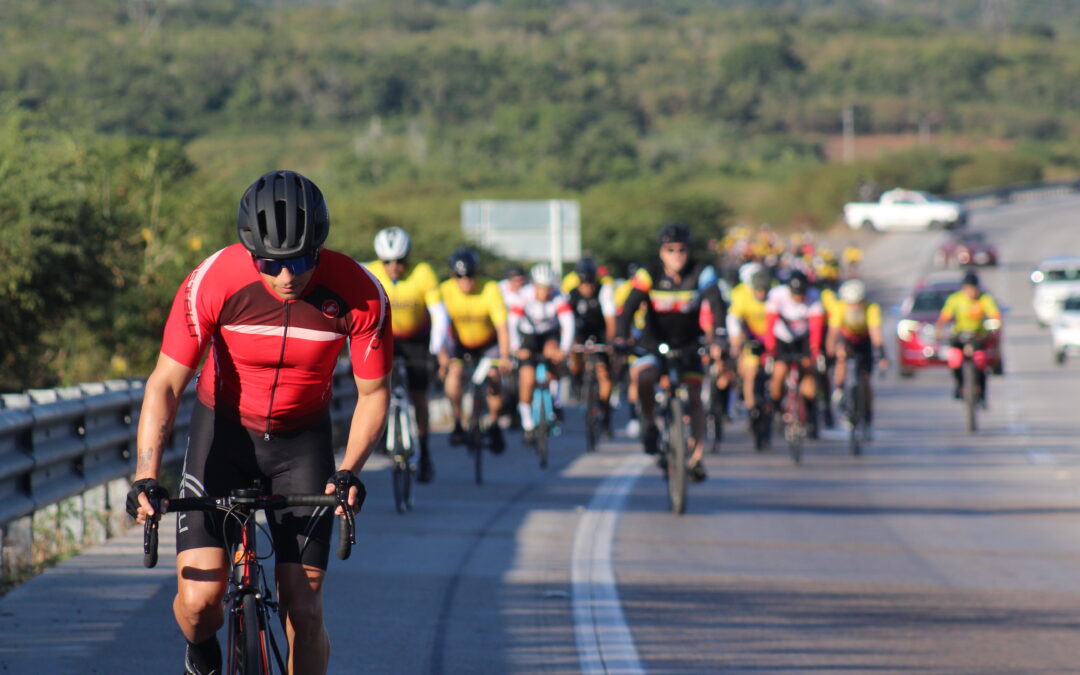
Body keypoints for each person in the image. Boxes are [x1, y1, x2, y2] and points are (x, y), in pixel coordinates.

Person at [126, 170, 392, 675]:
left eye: (302, 260)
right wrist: (146, 474)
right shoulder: (214, 280)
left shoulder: (361, 294)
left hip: (302, 444)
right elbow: (164, 383)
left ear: (321, 248)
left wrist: (350, 469)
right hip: (222, 434)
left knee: (305, 608)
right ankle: (201, 649)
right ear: (250, 252)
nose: (287, 277)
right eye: (271, 263)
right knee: (201, 603)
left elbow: (374, 393)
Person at [616, 223, 727, 482]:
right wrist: (621, 336)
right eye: (670, 249)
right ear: (661, 252)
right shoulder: (648, 273)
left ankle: (696, 457)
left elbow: (716, 303)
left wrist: (720, 337)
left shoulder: (701, 271)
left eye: (682, 249)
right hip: (653, 341)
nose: (677, 254)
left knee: (696, 396)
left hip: (688, 343)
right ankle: (649, 422)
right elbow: (629, 306)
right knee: (644, 377)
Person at [366, 227, 439, 482]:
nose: (394, 266)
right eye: (387, 261)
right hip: (384, 339)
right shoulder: (370, 272)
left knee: (419, 397)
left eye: (399, 261)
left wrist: (436, 350)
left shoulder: (422, 272)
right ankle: (379, 432)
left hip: (417, 340)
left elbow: (440, 314)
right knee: (374, 389)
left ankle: (426, 452)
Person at [427, 247, 510, 451]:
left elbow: (502, 327)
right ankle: (458, 422)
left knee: (494, 376)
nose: (466, 281)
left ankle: (494, 421)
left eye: (470, 275)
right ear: (452, 275)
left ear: (477, 273)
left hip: (487, 344)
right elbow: (439, 328)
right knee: (453, 375)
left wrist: (506, 356)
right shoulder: (445, 290)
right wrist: (443, 357)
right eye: (460, 276)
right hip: (459, 344)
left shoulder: (490, 288)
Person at [509, 263, 575, 443]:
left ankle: (555, 401)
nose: (545, 292)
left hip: (548, 335)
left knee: (553, 356)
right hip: (528, 337)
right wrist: (516, 348)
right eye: (541, 287)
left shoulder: (558, 297)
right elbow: (512, 322)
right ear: (534, 285)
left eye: (548, 288)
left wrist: (564, 349)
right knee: (527, 379)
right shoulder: (523, 296)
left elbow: (568, 324)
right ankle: (528, 423)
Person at [764, 270, 825, 436]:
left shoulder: (814, 295)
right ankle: (776, 409)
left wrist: (815, 349)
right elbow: (770, 323)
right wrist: (769, 349)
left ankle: (812, 417)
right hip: (782, 339)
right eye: (795, 294)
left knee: (807, 371)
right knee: (780, 371)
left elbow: (816, 325)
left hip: (803, 339)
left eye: (802, 294)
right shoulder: (777, 294)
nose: (799, 298)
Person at [827, 279, 889, 433]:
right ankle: (840, 389)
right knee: (841, 354)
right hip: (846, 338)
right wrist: (829, 355)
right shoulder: (839, 307)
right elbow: (833, 333)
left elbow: (876, 334)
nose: (854, 306)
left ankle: (867, 416)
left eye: (858, 303)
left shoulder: (871, 308)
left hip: (864, 340)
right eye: (851, 303)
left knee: (866, 379)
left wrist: (882, 355)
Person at [935, 270, 1001, 404]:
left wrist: (995, 324)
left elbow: (995, 315)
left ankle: (981, 390)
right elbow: (944, 317)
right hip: (960, 335)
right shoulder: (955, 299)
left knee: (981, 360)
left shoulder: (984, 299)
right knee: (954, 358)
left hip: (978, 335)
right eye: (968, 289)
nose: (971, 292)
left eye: (974, 289)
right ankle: (959, 385)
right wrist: (939, 330)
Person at [567, 257, 617, 431]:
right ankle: (577, 378)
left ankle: (605, 409)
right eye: (583, 283)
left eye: (590, 283)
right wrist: (570, 342)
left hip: (601, 333)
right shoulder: (572, 294)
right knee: (574, 352)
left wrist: (610, 342)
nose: (587, 287)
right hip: (580, 333)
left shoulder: (604, 290)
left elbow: (610, 319)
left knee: (604, 374)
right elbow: (567, 321)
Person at [727, 266, 771, 422]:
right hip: (752, 340)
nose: (761, 294)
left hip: (772, 340)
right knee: (750, 371)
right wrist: (736, 341)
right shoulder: (741, 296)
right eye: (758, 290)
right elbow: (734, 320)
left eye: (764, 290)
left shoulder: (774, 297)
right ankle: (750, 406)